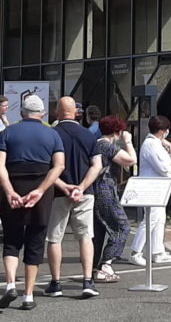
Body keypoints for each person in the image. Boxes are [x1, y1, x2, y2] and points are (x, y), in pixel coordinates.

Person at [0, 95, 65, 310]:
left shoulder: (7, 132)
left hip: (13, 187)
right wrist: (40, 190)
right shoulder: (52, 134)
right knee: (35, 241)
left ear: (21, 113)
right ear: (43, 114)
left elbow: (0, 166)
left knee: (11, 239)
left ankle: (10, 283)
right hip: (41, 191)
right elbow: (59, 166)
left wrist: (9, 191)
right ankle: (28, 295)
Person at [44, 96, 103, 299]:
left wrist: (64, 186)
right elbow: (97, 166)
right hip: (85, 193)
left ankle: (55, 283)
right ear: (76, 113)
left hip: (57, 193)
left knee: (54, 237)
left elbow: (47, 167)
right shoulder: (88, 135)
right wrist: (81, 187)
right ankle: (88, 281)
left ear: (57, 113)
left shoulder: (51, 134)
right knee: (86, 236)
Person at [129, 116, 171, 266]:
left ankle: (158, 251)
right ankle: (135, 251)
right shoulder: (151, 144)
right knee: (150, 219)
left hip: (160, 188)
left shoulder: (157, 143)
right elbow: (164, 168)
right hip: (152, 187)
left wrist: (170, 148)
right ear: (163, 131)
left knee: (159, 219)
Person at [92, 116, 137, 282]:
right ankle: (106, 264)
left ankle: (94, 268)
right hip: (106, 190)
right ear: (117, 132)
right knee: (122, 226)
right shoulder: (106, 145)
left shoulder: (96, 143)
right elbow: (131, 160)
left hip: (96, 190)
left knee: (99, 230)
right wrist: (129, 142)